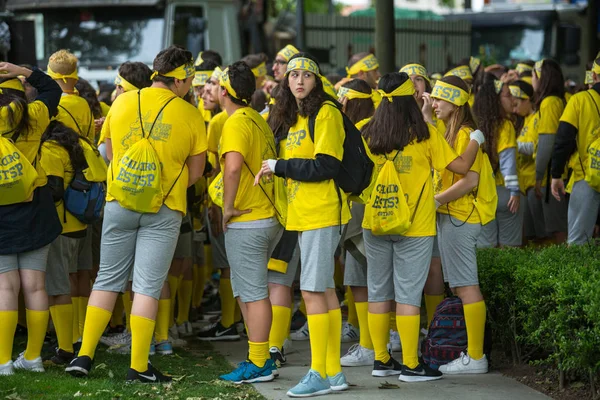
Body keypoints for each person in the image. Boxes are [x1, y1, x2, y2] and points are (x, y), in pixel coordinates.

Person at [65, 45, 207, 383]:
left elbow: (110, 152)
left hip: (120, 201)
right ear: (181, 78)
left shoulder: (123, 101)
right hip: (165, 206)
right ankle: (139, 367)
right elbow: (197, 171)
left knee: (107, 279)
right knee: (146, 287)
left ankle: (83, 356)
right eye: (190, 78)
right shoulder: (190, 114)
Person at [361, 72, 484, 382]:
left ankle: (380, 360)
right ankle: (412, 365)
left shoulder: (367, 133)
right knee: (407, 296)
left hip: (374, 222)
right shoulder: (426, 135)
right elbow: (461, 167)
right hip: (415, 226)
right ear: (411, 100)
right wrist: (476, 139)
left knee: (378, 292)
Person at [256, 52, 350, 397]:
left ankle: (319, 373)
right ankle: (334, 373)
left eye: (306, 76)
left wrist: (280, 166)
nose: (298, 80)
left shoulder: (326, 113)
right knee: (323, 290)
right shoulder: (294, 118)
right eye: (293, 75)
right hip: (302, 215)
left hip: (322, 212)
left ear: (317, 81)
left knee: (312, 291)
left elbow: (326, 165)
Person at [216, 61, 282, 383]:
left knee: (253, 293)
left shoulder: (235, 123)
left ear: (225, 91)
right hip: (265, 218)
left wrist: (227, 208)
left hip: (248, 220)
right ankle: (257, 357)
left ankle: (259, 363)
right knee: (246, 290)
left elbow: (232, 168)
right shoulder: (257, 118)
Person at [0, 62, 62, 375]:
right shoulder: (33, 116)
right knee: (35, 286)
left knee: (5, 289)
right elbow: (53, 88)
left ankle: (3, 363)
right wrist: (20, 69)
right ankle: (34, 356)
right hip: (35, 209)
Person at [428, 76, 490, 375]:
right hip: (454, 216)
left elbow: (471, 179)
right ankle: (472, 353)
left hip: (461, 216)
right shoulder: (453, 133)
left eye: (439, 99)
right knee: (461, 286)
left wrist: (436, 200)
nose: (434, 103)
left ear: (456, 102)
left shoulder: (466, 134)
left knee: (466, 287)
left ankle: (476, 357)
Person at [40, 121, 100, 365]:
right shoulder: (82, 145)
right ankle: (79, 336)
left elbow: (53, 191)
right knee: (76, 278)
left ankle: (65, 349)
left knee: (57, 288)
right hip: (81, 224)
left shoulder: (50, 150)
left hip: (60, 227)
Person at [335, 79, 376, 366]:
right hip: (362, 211)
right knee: (358, 279)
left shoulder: (361, 129)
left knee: (369, 277)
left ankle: (372, 343)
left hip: (362, 211)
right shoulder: (367, 126)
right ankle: (368, 342)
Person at [550, 58, 600, 245]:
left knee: (578, 243)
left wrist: (556, 174)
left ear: (593, 75)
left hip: (587, 177)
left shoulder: (579, 100)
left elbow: (563, 138)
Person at [473, 74, 521, 247]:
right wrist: (515, 191)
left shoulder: (475, 126)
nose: (513, 100)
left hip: (483, 193)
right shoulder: (505, 125)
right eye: (508, 95)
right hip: (505, 193)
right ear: (496, 100)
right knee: (510, 248)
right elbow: (508, 162)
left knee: (486, 247)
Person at [532, 59, 568, 244]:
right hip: (554, 174)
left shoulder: (549, 103)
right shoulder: (556, 100)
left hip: (550, 177)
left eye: (533, 75)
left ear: (541, 78)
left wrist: (537, 177)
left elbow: (547, 144)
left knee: (557, 230)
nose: (532, 80)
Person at [511, 80, 548, 243]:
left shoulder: (537, 117)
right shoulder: (524, 120)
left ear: (527, 100)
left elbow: (537, 147)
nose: (514, 108)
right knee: (529, 234)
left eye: (517, 103)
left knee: (541, 232)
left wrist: (512, 145)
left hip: (535, 182)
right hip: (524, 184)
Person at [47, 50, 94, 142]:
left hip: (57, 154)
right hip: (83, 154)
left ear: (50, 78)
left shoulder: (50, 104)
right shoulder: (84, 103)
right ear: (76, 79)